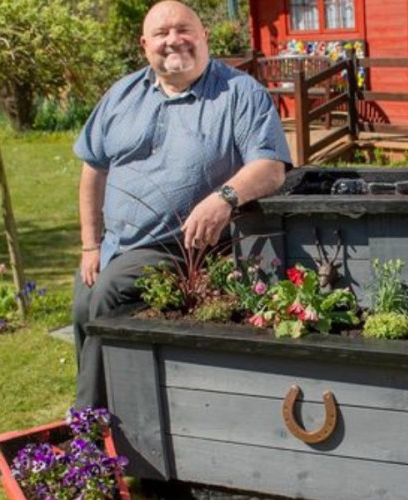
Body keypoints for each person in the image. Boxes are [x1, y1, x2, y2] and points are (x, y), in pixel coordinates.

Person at [71, 0, 291, 409]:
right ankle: (109, 413)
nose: (174, 40)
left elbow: (270, 167)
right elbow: (93, 170)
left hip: (182, 247)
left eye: (184, 29)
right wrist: (89, 243)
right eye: (161, 33)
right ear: (144, 45)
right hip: (116, 242)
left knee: (107, 295)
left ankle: (89, 421)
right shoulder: (122, 94)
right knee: (83, 299)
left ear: (204, 35)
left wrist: (225, 197)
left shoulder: (238, 93)